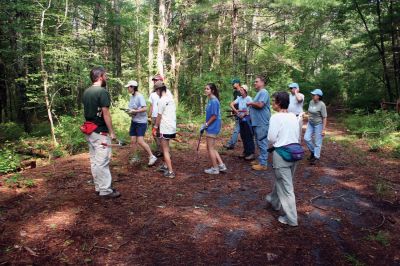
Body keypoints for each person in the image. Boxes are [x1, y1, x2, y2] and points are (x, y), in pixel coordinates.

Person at [82, 66, 121, 198]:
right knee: (102, 161)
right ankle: (105, 190)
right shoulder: (102, 92)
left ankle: (99, 187)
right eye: (105, 75)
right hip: (100, 132)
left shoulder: (86, 92)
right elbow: (105, 113)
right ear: (100, 77)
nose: (107, 78)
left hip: (90, 131)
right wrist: (112, 132)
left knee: (94, 161)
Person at [266, 91, 299, 226]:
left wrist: (274, 144)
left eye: (274, 101)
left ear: (278, 103)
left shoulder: (275, 117)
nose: (273, 103)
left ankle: (291, 219)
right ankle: (274, 201)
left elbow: (271, 138)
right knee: (284, 181)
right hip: (295, 153)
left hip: (281, 155)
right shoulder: (293, 116)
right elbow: (297, 136)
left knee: (286, 187)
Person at [125, 80, 157, 166]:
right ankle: (135, 157)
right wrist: (129, 112)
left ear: (133, 87)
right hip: (134, 121)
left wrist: (134, 111)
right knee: (132, 140)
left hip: (141, 122)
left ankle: (152, 156)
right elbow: (132, 109)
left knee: (140, 141)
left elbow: (145, 108)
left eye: (129, 87)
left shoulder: (140, 96)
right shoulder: (132, 97)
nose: (127, 88)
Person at [202, 83, 228, 174]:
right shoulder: (211, 100)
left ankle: (215, 168)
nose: (205, 90)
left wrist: (206, 124)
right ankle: (221, 165)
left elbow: (214, 116)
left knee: (210, 148)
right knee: (211, 147)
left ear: (212, 91)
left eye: (208, 89)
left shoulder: (213, 101)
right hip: (211, 126)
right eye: (205, 88)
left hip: (213, 126)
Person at [152, 81, 176, 178]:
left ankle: (170, 172)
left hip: (165, 128)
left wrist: (155, 127)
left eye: (156, 91)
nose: (156, 93)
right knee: (167, 147)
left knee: (165, 150)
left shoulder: (161, 100)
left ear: (159, 90)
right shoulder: (170, 99)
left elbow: (159, 115)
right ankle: (166, 165)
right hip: (172, 126)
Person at [247, 76, 271, 171]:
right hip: (257, 122)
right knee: (258, 142)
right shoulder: (259, 93)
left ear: (262, 83)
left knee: (262, 142)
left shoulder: (264, 92)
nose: (255, 83)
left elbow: (261, 105)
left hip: (262, 122)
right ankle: (261, 159)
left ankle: (263, 164)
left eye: (256, 81)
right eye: (254, 82)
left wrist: (250, 103)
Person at [230, 85, 255, 160]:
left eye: (241, 90)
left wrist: (244, 114)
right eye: (240, 90)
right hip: (240, 119)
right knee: (243, 136)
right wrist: (235, 110)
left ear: (245, 91)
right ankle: (246, 151)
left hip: (247, 119)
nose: (240, 91)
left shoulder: (249, 98)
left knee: (248, 136)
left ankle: (251, 153)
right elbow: (231, 104)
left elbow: (251, 108)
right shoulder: (239, 98)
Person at [304, 89, 327, 165]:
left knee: (318, 142)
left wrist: (323, 129)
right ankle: (313, 152)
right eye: (312, 94)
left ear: (319, 96)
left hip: (318, 124)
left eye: (314, 95)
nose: (312, 96)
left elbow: (324, 117)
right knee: (306, 138)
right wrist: (305, 114)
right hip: (310, 123)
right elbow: (310, 111)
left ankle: (316, 157)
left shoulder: (322, 105)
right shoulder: (311, 102)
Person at [224, 78, 242, 150]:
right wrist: (233, 110)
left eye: (233, 83)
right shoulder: (235, 92)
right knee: (239, 129)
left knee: (237, 129)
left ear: (238, 83)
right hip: (236, 112)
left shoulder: (242, 91)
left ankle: (231, 144)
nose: (232, 85)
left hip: (242, 113)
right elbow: (235, 102)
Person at [148, 75, 164, 157]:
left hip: (163, 117)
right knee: (154, 134)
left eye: (156, 80)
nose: (154, 82)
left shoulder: (166, 93)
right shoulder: (153, 94)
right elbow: (151, 106)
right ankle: (159, 150)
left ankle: (164, 150)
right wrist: (149, 116)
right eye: (154, 81)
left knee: (163, 134)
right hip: (154, 116)